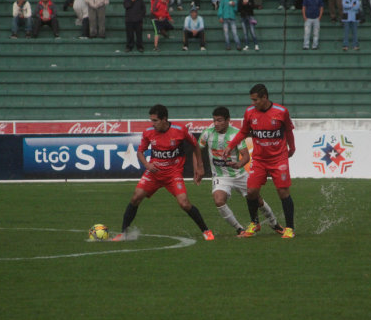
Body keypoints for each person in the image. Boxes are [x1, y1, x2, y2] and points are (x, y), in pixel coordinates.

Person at [112, 104, 215, 242]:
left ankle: (206, 230)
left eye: (155, 120)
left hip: (173, 174)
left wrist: (200, 166)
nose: (152, 124)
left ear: (164, 119)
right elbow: (140, 152)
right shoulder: (148, 132)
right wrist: (147, 164)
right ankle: (124, 233)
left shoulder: (180, 130)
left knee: (184, 203)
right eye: (151, 120)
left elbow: (195, 145)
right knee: (136, 197)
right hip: (154, 173)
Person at [222, 84, 296, 239]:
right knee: (251, 192)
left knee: (283, 192)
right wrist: (230, 146)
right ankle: (254, 224)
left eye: (256, 100)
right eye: (252, 100)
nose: (253, 103)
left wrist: (292, 147)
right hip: (260, 159)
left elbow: (289, 130)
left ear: (265, 97)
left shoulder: (281, 112)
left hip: (278, 158)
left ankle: (290, 228)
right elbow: (243, 132)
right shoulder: (249, 112)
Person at [199, 106, 284, 237]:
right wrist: (199, 167)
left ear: (228, 120)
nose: (216, 123)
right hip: (221, 176)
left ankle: (274, 224)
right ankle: (240, 229)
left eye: (220, 120)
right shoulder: (208, 133)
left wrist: (238, 164)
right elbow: (196, 149)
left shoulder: (236, 134)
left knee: (258, 201)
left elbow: (246, 156)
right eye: (214, 120)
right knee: (218, 200)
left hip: (239, 175)